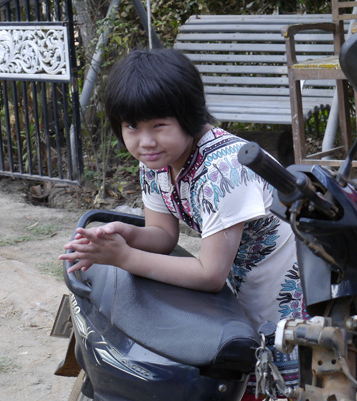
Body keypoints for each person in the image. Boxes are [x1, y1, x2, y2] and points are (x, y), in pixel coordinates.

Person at [58, 48, 306, 399]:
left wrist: (123, 257)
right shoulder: (157, 162)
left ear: (189, 117)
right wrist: (124, 235)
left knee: (269, 384)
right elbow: (162, 235)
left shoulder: (224, 170)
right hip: (233, 285)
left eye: (159, 125)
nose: (145, 141)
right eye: (132, 126)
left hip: (277, 289)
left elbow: (208, 274)